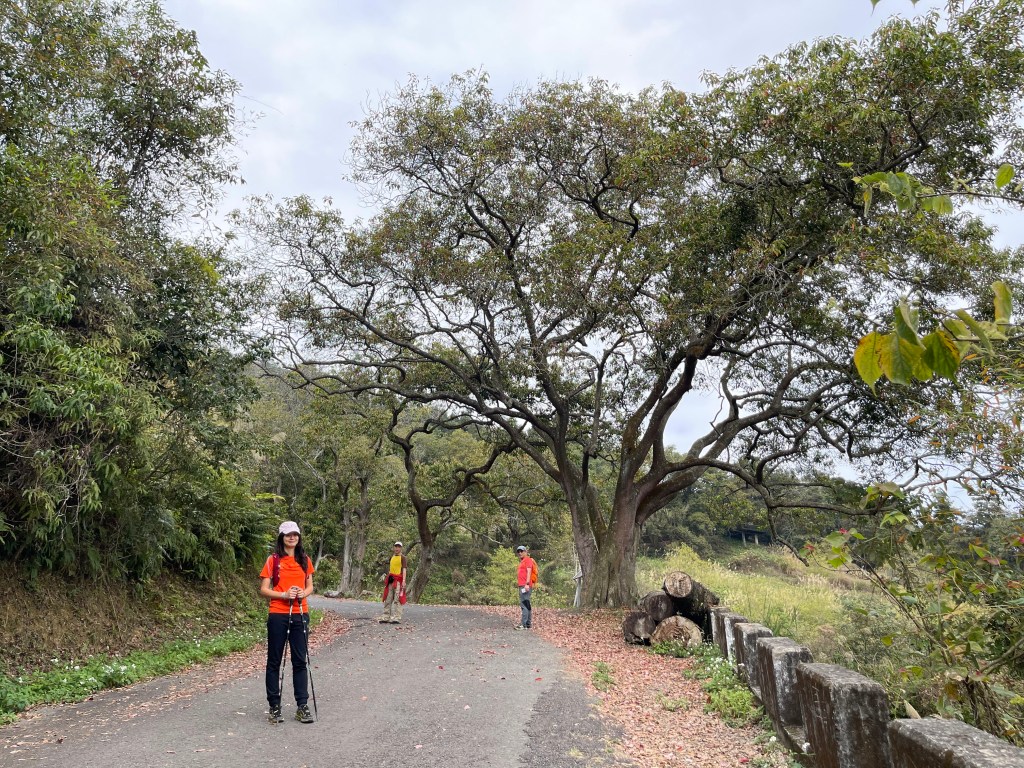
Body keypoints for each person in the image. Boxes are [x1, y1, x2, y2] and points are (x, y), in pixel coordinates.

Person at [260, 520, 316, 724]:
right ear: (282, 537)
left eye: (295, 534)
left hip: (300, 612)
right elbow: (264, 589)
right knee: (274, 660)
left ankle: (302, 705)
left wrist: (303, 593)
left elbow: (310, 586)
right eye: (288, 534)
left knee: (300, 660)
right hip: (278, 614)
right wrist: (284, 594)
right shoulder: (273, 560)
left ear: (299, 537)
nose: (292, 537)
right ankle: (274, 706)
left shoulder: (304, 559)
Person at [379, 540, 407, 624]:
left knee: (397, 599)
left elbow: (404, 570)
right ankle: (385, 617)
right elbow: (391, 568)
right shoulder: (392, 557)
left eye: (399, 547)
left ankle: (396, 618)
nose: (397, 548)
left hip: (398, 580)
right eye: (396, 546)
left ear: (401, 548)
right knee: (388, 599)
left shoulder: (403, 558)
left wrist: (404, 581)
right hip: (391, 580)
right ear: (394, 548)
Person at [514, 545, 537, 629]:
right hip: (523, 585)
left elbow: (529, 571)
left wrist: (527, 584)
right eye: (518, 551)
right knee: (527, 604)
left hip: (525, 585)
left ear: (525, 552)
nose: (520, 553)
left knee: (523, 604)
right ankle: (528, 624)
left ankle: (523, 624)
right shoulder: (522, 561)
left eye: (521, 551)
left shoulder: (527, 560)